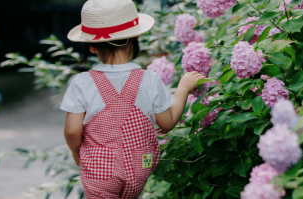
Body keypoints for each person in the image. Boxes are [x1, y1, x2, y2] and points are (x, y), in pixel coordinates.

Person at [60, 0, 205, 198]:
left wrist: (76, 151)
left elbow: (72, 129)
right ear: (136, 37)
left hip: (100, 167)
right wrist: (183, 88)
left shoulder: (82, 83)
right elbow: (167, 123)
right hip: (140, 165)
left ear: (91, 47)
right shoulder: (149, 79)